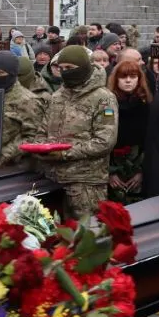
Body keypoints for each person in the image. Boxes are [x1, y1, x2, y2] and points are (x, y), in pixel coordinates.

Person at [39, 45, 119, 220]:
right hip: (54, 180)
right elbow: (42, 129)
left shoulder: (103, 98)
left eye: (70, 68)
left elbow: (105, 141)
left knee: (86, 237)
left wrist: (64, 153)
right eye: (61, 68)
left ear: (83, 68)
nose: (65, 72)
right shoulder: (58, 96)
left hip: (86, 184)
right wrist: (39, 147)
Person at [106, 59, 152, 204]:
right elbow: (102, 139)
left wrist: (142, 172)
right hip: (112, 165)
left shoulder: (146, 105)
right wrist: (110, 172)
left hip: (138, 167)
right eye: (123, 77)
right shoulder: (108, 105)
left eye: (132, 77)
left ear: (139, 79)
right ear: (116, 79)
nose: (128, 81)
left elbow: (151, 142)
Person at [0, 50, 45, 167]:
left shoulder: (28, 101)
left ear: (12, 74)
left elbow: (33, 137)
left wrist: (3, 155)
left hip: (12, 168)